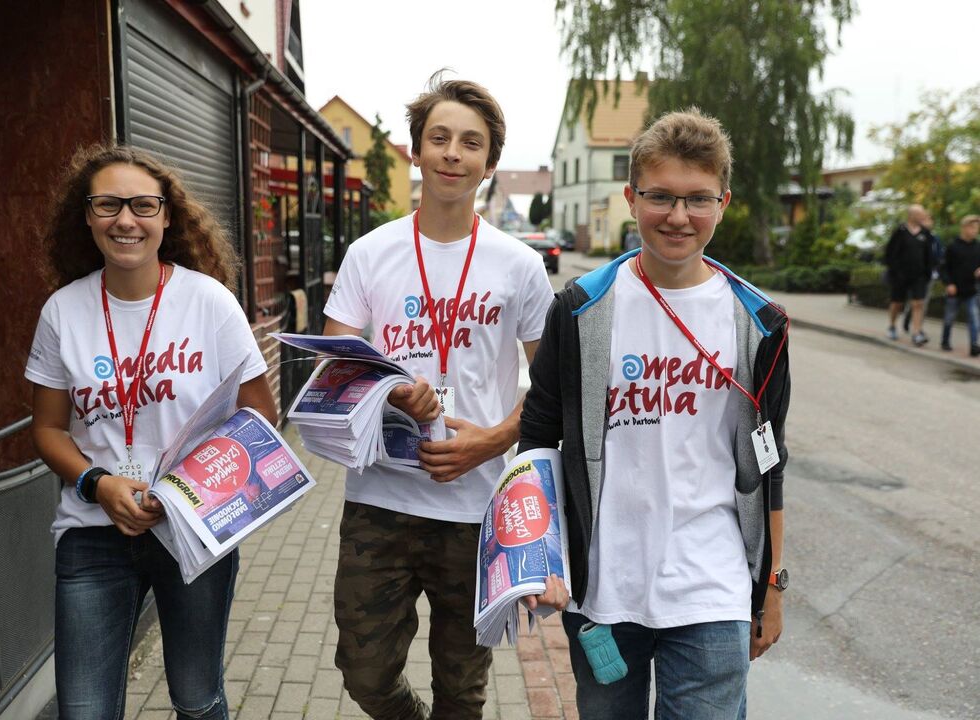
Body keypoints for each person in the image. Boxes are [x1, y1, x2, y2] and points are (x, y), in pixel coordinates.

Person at [519, 109, 791, 719]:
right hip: (604, 584)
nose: (678, 216)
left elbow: (771, 461)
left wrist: (772, 586)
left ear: (723, 203)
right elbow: (538, 435)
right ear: (631, 197)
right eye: (660, 196)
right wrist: (535, 558)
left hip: (712, 581)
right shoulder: (581, 309)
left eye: (698, 199)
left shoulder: (759, 324)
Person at [321, 72, 554, 719]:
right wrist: (391, 393)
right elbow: (336, 367)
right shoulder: (370, 253)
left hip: (475, 508)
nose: (453, 153)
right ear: (417, 151)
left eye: (471, 143)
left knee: (463, 690)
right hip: (379, 500)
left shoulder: (518, 264)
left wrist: (494, 439)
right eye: (440, 138)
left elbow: (554, 387)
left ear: (490, 162)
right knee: (364, 675)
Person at [26, 144, 277, 720]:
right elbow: (48, 429)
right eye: (108, 205)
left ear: (167, 216)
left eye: (143, 205)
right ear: (87, 216)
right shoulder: (63, 311)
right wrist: (98, 484)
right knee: (84, 710)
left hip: (193, 527)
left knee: (196, 698)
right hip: (92, 532)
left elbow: (258, 417)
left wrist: (188, 493)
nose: (126, 220)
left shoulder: (209, 303)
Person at [885, 204, 935, 345]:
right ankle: (892, 326)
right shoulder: (900, 231)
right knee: (897, 303)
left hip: (919, 276)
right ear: (912, 215)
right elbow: (890, 253)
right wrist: (895, 271)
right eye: (920, 214)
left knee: (918, 303)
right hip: (900, 275)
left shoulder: (925, 233)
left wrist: (928, 272)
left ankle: (917, 332)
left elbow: (929, 255)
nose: (922, 216)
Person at [939, 214, 980, 355]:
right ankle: (945, 341)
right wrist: (949, 283)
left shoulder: (978, 247)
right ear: (964, 228)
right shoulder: (953, 246)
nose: (975, 231)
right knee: (949, 317)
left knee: (974, 318)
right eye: (973, 227)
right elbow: (944, 268)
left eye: (977, 228)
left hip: (971, 289)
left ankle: (974, 345)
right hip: (955, 289)